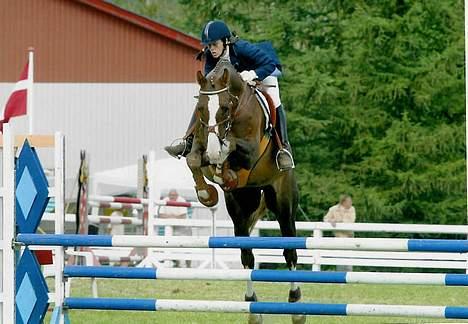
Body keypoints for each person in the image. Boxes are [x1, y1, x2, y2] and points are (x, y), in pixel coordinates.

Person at [164, 20, 295, 171]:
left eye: (214, 44)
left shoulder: (242, 48)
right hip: (236, 80)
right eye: (208, 45)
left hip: (261, 70)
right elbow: (209, 81)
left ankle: (282, 148)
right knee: (207, 99)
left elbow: (269, 64)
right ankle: (188, 141)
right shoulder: (210, 55)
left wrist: (252, 74)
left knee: (274, 99)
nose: (211, 49)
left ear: (225, 41)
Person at [158, 189, 191, 267]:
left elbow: (183, 216)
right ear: (168, 195)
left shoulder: (182, 200)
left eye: (174, 195)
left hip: (184, 228)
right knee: (172, 245)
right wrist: (174, 217)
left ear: (177, 195)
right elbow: (160, 215)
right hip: (171, 228)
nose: (172, 197)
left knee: (187, 246)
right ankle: (177, 264)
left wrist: (169, 217)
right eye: (171, 195)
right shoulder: (165, 200)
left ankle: (188, 265)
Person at [323, 194, 356, 271]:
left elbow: (351, 221)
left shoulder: (352, 209)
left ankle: (349, 276)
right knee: (339, 257)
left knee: (349, 257)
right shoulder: (333, 209)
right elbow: (325, 219)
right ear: (344, 202)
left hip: (349, 237)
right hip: (338, 237)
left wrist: (338, 221)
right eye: (349, 201)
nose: (351, 203)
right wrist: (330, 220)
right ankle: (340, 276)